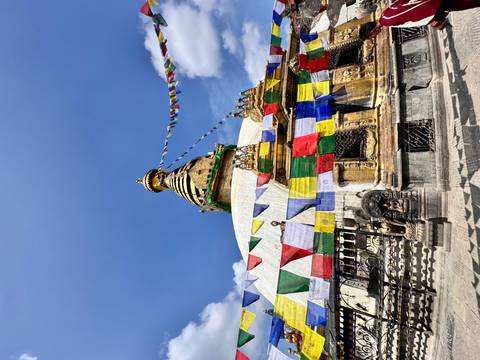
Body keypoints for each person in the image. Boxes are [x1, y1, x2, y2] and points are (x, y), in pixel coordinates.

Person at [370, 0, 480, 36]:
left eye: (371, 35)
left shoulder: (387, 21)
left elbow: (409, 15)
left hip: (430, 6)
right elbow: (402, 3)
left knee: (462, 3)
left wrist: (430, 20)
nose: (374, 35)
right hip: (424, 3)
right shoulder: (384, 15)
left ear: (372, 30)